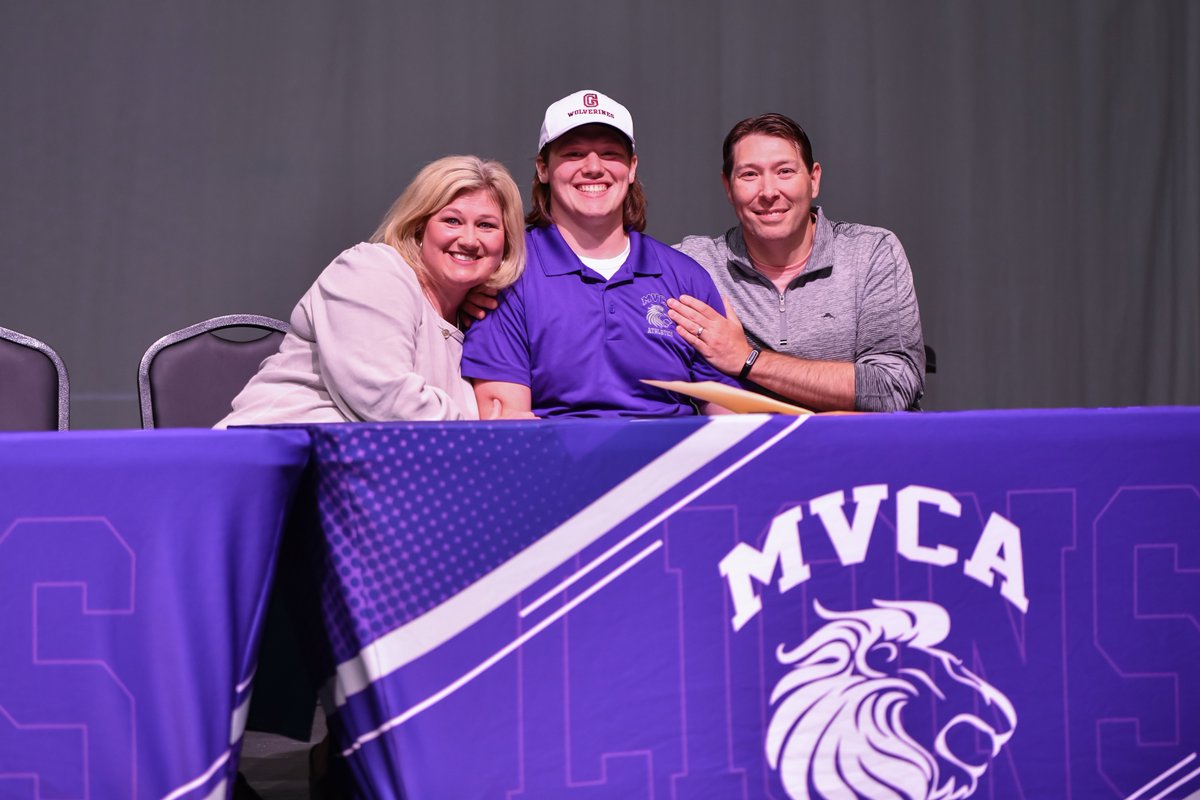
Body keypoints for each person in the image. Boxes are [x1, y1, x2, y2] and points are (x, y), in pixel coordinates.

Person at [460, 89, 737, 418]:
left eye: (609, 154)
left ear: (632, 168)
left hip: (673, 466)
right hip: (559, 465)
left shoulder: (685, 276)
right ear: (543, 169)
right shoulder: (508, 273)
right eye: (574, 154)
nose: (593, 167)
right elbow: (507, 424)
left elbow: (728, 418)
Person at [216, 155, 526, 428]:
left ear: (506, 242)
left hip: (360, 479)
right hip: (268, 465)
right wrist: (486, 437)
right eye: (452, 221)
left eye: (486, 225)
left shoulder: (481, 322)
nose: (469, 239)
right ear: (419, 228)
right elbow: (386, 399)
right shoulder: (373, 270)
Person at [669, 112, 925, 412]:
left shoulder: (870, 253)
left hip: (858, 451)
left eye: (785, 172)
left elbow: (893, 387)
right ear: (728, 187)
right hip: (753, 455)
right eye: (749, 175)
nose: (768, 192)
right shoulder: (694, 264)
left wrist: (747, 359)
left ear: (813, 180)